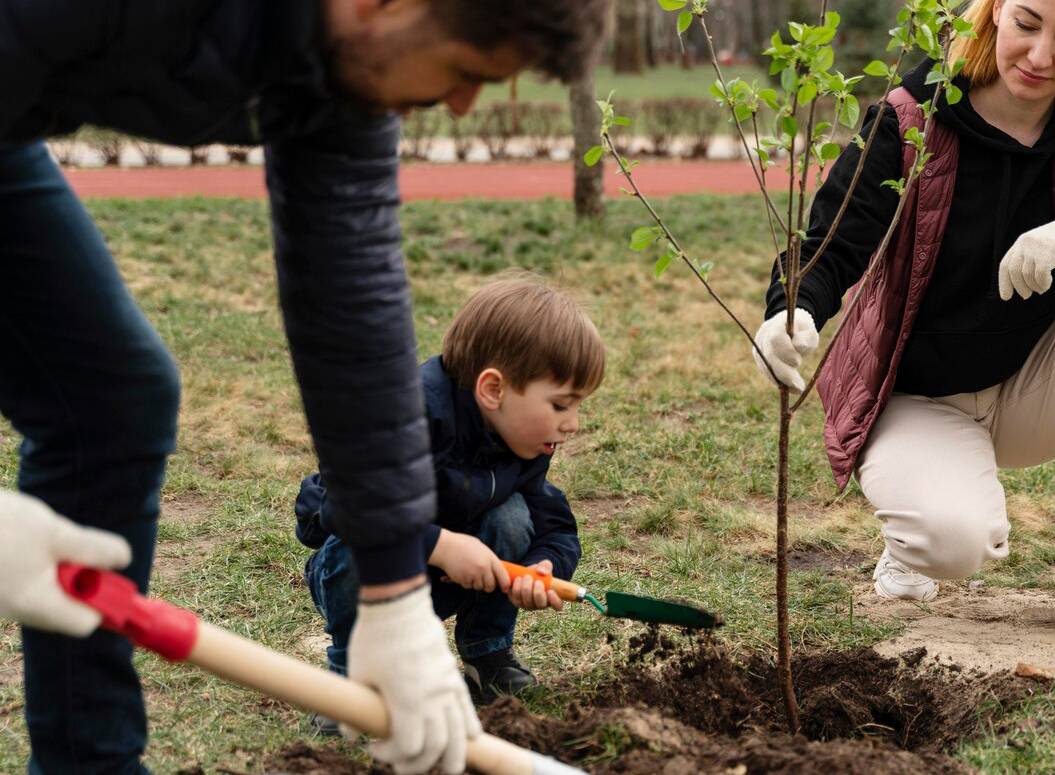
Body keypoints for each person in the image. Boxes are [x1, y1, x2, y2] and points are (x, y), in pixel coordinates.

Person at [0, 1, 607, 773]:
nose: (460, 106)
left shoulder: (351, 73)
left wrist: (394, 587)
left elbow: (352, 307)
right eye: (463, 71)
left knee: (114, 399)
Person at [753, 0, 1055, 654]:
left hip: (1033, 394)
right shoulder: (912, 118)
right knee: (951, 543)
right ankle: (915, 534)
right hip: (919, 402)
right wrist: (790, 311)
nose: (1041, 57)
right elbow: (831, 246)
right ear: (992, 11)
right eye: (1026, 23)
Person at [295, 277, 602, 732]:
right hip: (364, 575)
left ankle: (487, 655)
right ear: (493, 390)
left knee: (513, 518)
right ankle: (353, 682)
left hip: (444, 581)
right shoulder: (406, 413)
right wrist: (440, 546)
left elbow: (552, 523)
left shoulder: (521, 443)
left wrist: (543, 566)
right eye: (560, 405)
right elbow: (351, 508)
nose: (572, 424)